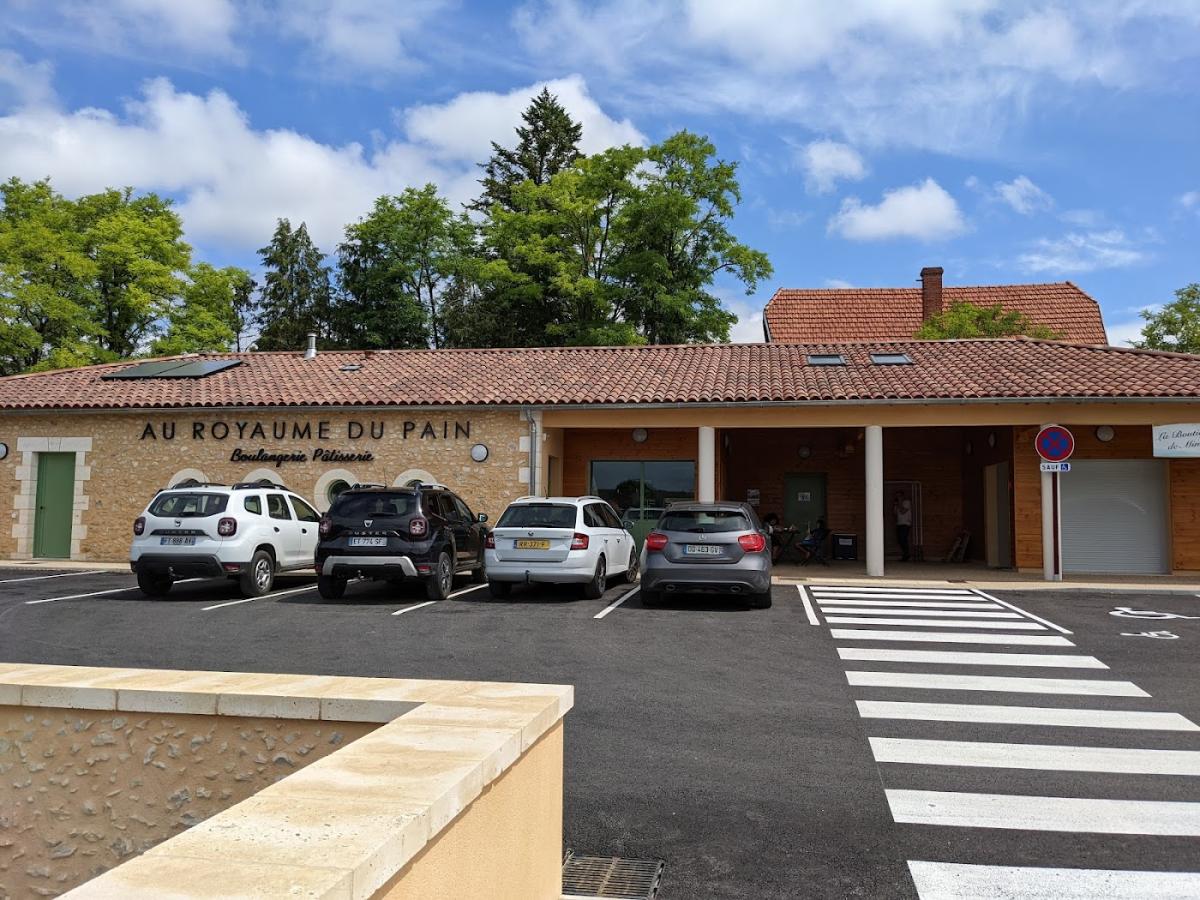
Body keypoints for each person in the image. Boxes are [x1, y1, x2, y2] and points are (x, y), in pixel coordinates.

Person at [893, 491, 912, 561]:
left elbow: (903, 511)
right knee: (900, 540)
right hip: (899, 523)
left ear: (902, 496)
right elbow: (895, 513)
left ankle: (906, 554)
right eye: (897, 496)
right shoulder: (898, 504)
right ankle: (905, 554)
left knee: (903, 539)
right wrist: (895, 505)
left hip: (906, 523)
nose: (898, 498)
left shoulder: (907, 502)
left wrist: (899, 503)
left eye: (899, 496)